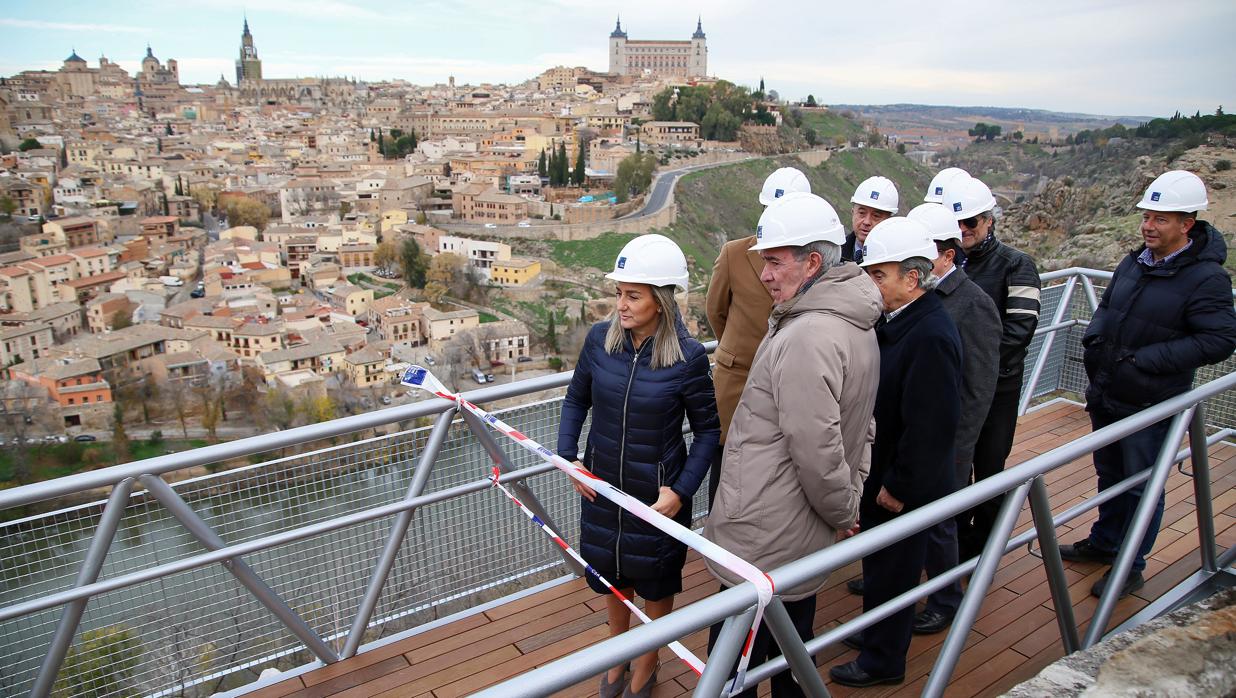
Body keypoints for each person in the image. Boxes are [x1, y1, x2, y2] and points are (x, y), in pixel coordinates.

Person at [705, 192, 882, 697]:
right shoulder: (854, 320)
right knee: (790, 652)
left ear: (813, 263)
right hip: (794, 533)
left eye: (775, 262)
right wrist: (849, 499)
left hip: (764, 533)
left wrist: (842, 507)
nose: (764, 275)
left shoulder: (809, 334)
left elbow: (818, 447)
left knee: (733, 667)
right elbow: (862, 424)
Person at [557, 233, 720, 698]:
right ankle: (617, 657)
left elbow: (709, 433)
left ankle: (647, 663)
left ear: (662, 301)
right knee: (613, 577)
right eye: (618, 294)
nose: (621, 306)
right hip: (603, 489)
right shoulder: (598, 341)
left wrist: (681, 492)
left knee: (655, 582)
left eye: (632, 296)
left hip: (658, 499)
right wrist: (568, 459)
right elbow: (575, 401)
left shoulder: (688, 359)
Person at [1059, 170, 1236, 598]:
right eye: (1146, 217)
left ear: (1186, 225)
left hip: (1150, 401)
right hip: (1109, 392)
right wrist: (1095, 340)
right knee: (1110, 474)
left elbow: (1220, 339)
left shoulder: (1207, 278)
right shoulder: (1135, 260)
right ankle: (1104, 542)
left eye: (1159, 219)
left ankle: (1129, 566)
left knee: (1142, 484)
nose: (1148, 226)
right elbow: (1108, 306)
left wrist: (1144, 361)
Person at [830, 217, 962, 688]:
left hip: (903, 486)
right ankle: (875, 637)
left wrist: (897, 487)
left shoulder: (930, 336)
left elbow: (933, 425)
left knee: (895, 571)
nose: (870, 283)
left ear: (912, 278)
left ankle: (883, 662)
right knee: (882, 567)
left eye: (878, 274)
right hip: (885, 475)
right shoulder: (903, 322)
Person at [907, 202, 1000, 634]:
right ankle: (903, 580)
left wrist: (959, 450)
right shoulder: (923, 297)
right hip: (915, 433)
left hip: (948, 443)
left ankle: (946, 598)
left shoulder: (974, 305)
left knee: (941, 524)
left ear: (947, 255)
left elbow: (979, 388)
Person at [947, 175, 1041, 561]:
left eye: (972, 222)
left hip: (997, 389)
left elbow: (1019, 331)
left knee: (988, 468)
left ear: (989, 221)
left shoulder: (1017, 266)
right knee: (955, 467)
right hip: (956, 387)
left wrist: (972, 367)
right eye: (958, 224)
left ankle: (985, 549)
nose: (964, 230)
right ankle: (954, 543)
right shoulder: (951, 265)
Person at [705, 167, 811, 502]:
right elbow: (716, 311)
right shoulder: (735, 254)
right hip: (737, 383)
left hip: (789, 385)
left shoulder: (811, 263)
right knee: (723, 473)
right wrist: (738, 352)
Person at [842, 175, 899, 263]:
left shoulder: (895, 262)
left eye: (876, 216)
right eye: (862, 213)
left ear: (889, 221)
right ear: (853, 212)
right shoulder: (835, 255)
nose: (867, 222)